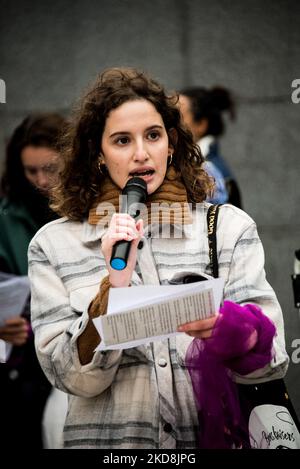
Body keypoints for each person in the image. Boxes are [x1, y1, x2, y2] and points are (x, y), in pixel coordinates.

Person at [28, 67, 288, 449]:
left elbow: (274, 360)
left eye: (153, 135)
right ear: (97, 154)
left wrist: (228, 329)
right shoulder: (54, 244)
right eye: (121, 140)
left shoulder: (227, 227)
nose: (140, 153)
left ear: (171, 142)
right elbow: (72, 378)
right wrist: (111, 290)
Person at [0, 113, 67, 448]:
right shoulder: (6, 215)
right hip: (24, 364)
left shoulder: (92, 210)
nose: (41, 180)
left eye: (50, 168)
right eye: (31, 171)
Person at [179, 86, 243, 208]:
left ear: (201, 124)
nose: (169, 121)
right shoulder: (198, 165)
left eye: (179, 116)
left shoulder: (210, 171)